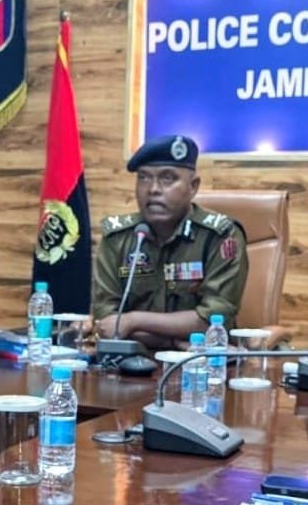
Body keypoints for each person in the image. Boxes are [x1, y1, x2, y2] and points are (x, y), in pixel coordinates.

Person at [89, 135, 248, 349]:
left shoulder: (220, 236)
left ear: (193, 187)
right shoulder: (118, 238)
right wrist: (173, 340)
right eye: (144, 178)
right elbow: (106, 321)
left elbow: (213, 321)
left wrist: (133, 321)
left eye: (167, 178)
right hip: (131, 359)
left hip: (199, 361)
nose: (153, 189)